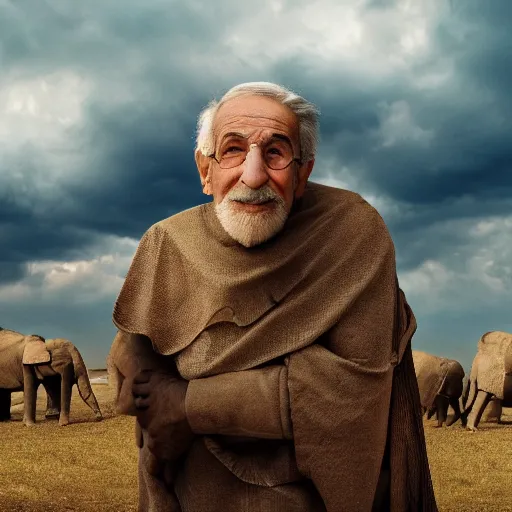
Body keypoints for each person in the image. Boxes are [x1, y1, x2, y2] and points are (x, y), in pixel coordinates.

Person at [108, 82, 438, 511]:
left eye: (276, 152)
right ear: (205, 171)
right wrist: (145, 378)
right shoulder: (166, 242)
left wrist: (189, 403)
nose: (254, 174)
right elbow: (137, 356)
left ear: (303, 173)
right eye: (232, 150)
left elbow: (351, 391)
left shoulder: (352, 233)